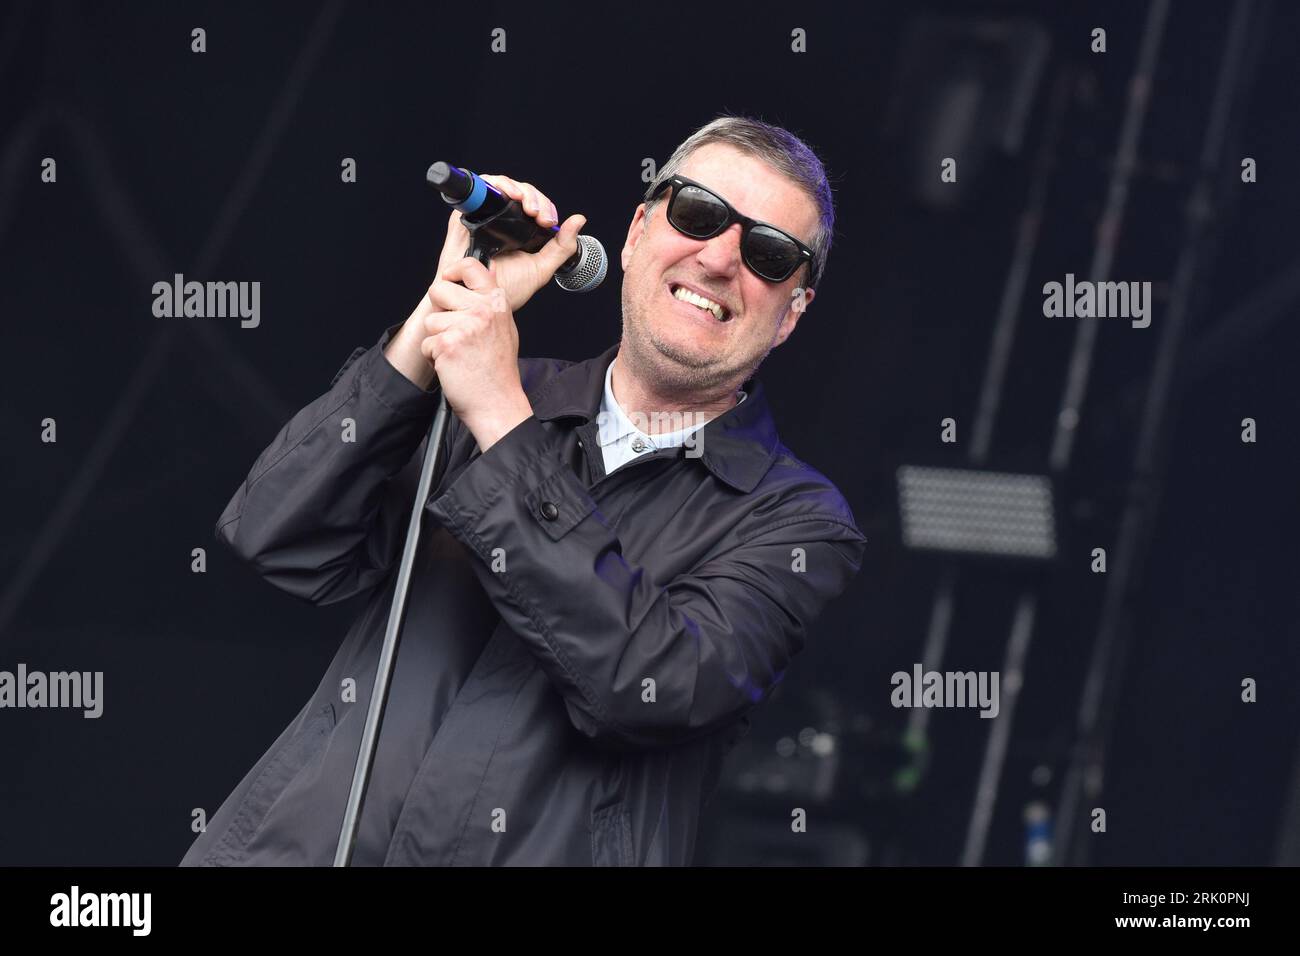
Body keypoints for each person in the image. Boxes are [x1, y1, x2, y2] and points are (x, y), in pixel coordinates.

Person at [180, 115, 867, 867]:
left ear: (791, 314)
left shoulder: (798, 523)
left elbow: (648, 686)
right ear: (637, 232)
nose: (718, 258)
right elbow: (278, 535)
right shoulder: (490, 390)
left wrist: (502, 419)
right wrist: (432, 325)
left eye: (768, 253)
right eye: (698, 213)